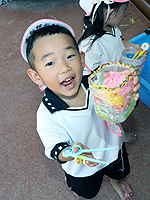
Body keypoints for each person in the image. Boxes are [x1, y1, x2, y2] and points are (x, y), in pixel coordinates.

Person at [20, 19, 140, 199]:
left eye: (69, 56)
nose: (64, 68)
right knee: (87, 192)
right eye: (50, 63)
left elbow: (118, 110)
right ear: (36, 76)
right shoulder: (48, 114)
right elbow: (55, 149)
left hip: (113, 147)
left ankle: (117, 182)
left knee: (120, 171)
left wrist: (127, 97)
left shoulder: (98, 84)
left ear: (82, 59)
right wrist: (71, 151)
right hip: (81, 168)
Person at [79, 0, 143, 143]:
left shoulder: (111, 27)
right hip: (106, 92)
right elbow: (87, 77)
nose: (124, 14)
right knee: (109, 117)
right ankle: (119, 137)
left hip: (119, 81)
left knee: (119, 111)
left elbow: (119, 42)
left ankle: (119, 132)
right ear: (112, 13)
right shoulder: (91, 46)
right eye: (124, 11)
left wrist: (132, 47)